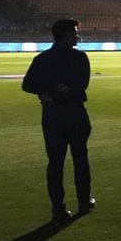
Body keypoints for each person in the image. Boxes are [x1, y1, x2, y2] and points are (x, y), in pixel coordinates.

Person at [22, 19, 94, 221]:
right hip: (75, 113)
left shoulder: (42, 58)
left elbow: (27, 85)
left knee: (55, 163)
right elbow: (82, 85)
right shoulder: (79, 57)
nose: (77, 35)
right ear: (66, 35)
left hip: (52, 115)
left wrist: (49, 91)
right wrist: (61, 90)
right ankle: (83, 201)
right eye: (75, 32)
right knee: (80, 158)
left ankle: (58, 209)